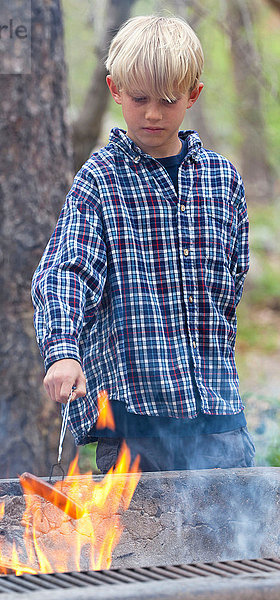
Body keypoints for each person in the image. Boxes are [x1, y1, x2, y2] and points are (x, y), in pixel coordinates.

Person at [31, 15, 255, 472]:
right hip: (135, 425)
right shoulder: (100, 179)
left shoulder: (222, 180)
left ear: (193, 95)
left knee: (238, 541)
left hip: (218, 422)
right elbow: (66, 271)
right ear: (115, 90)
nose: (152, 113)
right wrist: (63, 351)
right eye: (139, 99)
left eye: (168, 100)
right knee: (135, 545)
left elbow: (232, 282)